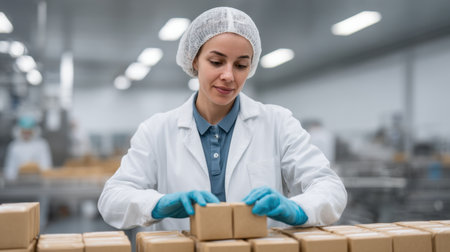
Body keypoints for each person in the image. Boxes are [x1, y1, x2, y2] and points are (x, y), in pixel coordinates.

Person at [98, 6, 347, 231]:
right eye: (216, 61)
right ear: (194, 60)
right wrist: (158, 204)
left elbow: (329, 187)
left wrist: (298, 210)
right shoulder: (156, 130)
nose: (228, 75)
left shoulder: (278, 123)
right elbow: (111, 200)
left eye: (240, 65)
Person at [3, 116, 53, 181]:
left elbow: (46, 166)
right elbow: (10, 169)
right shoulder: (14, 146)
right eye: (24, 132)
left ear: (34, 131)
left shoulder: (41, 145)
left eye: (29, 132)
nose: (26, 134)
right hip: (18, 183)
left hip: (38, 182)